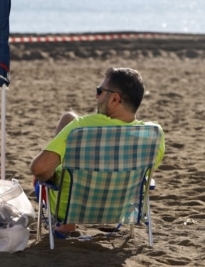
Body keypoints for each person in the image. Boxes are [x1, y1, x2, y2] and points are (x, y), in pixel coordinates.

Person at [30, 67, 165, 233]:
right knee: (68, 117)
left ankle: (66, 224)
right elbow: (145, 176)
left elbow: (39, 169)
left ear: (114, 99)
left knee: (40, 178)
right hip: (123, 209)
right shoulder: (153, 134)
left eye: (99, 91)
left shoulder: (80, 128)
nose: (96, 96)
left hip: (70, 209)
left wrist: (51, 175)